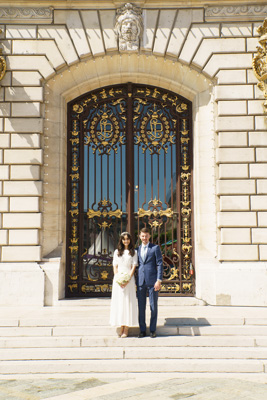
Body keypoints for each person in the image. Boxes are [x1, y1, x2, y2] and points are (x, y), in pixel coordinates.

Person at [109, 232, 138, 338]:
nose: (126, 241)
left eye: (128, 239)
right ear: (121, 240)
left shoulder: (133, 252)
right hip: (118, 280)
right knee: (119, 302)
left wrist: (127, 280)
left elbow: (133, 267)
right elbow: (115, 266)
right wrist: (119, 279)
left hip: (129, 280)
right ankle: (121, 325)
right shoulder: (117, 252)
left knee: (127, 302)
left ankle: (126, 327)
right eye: (124, 239)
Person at [137, 227, 163, 338]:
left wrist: (159, 280)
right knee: (141, 307)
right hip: (140, 282)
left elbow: (159, 264)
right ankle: (142, 330)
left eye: (146, 236)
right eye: (142, 236)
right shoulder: (136, 250)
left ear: (149, 236)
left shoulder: (155, 248)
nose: (144, 238)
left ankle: (152, 330)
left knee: (153, 306)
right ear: (140, 236)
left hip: (153, 282)